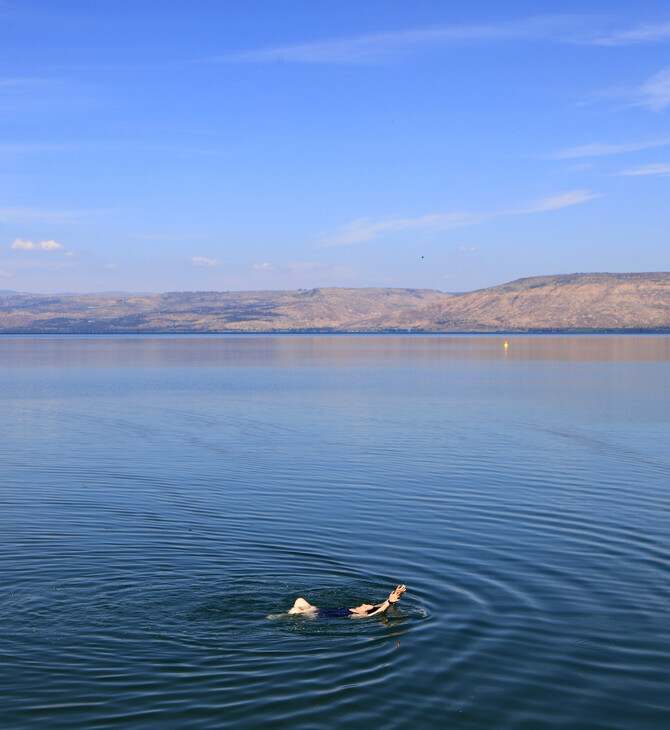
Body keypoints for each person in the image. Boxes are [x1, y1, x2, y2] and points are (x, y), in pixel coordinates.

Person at [288, 584, 406, 618]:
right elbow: (378, 606)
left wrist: (389, 603)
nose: (363, 604)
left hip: (317, 615)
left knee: (295, 610)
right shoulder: (361, 609)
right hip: (319, 609)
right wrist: (393, 597)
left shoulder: (358, 615)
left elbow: (378, 612)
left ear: (365, 612)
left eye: (365, 606)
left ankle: (278, 617)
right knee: (299, 600)